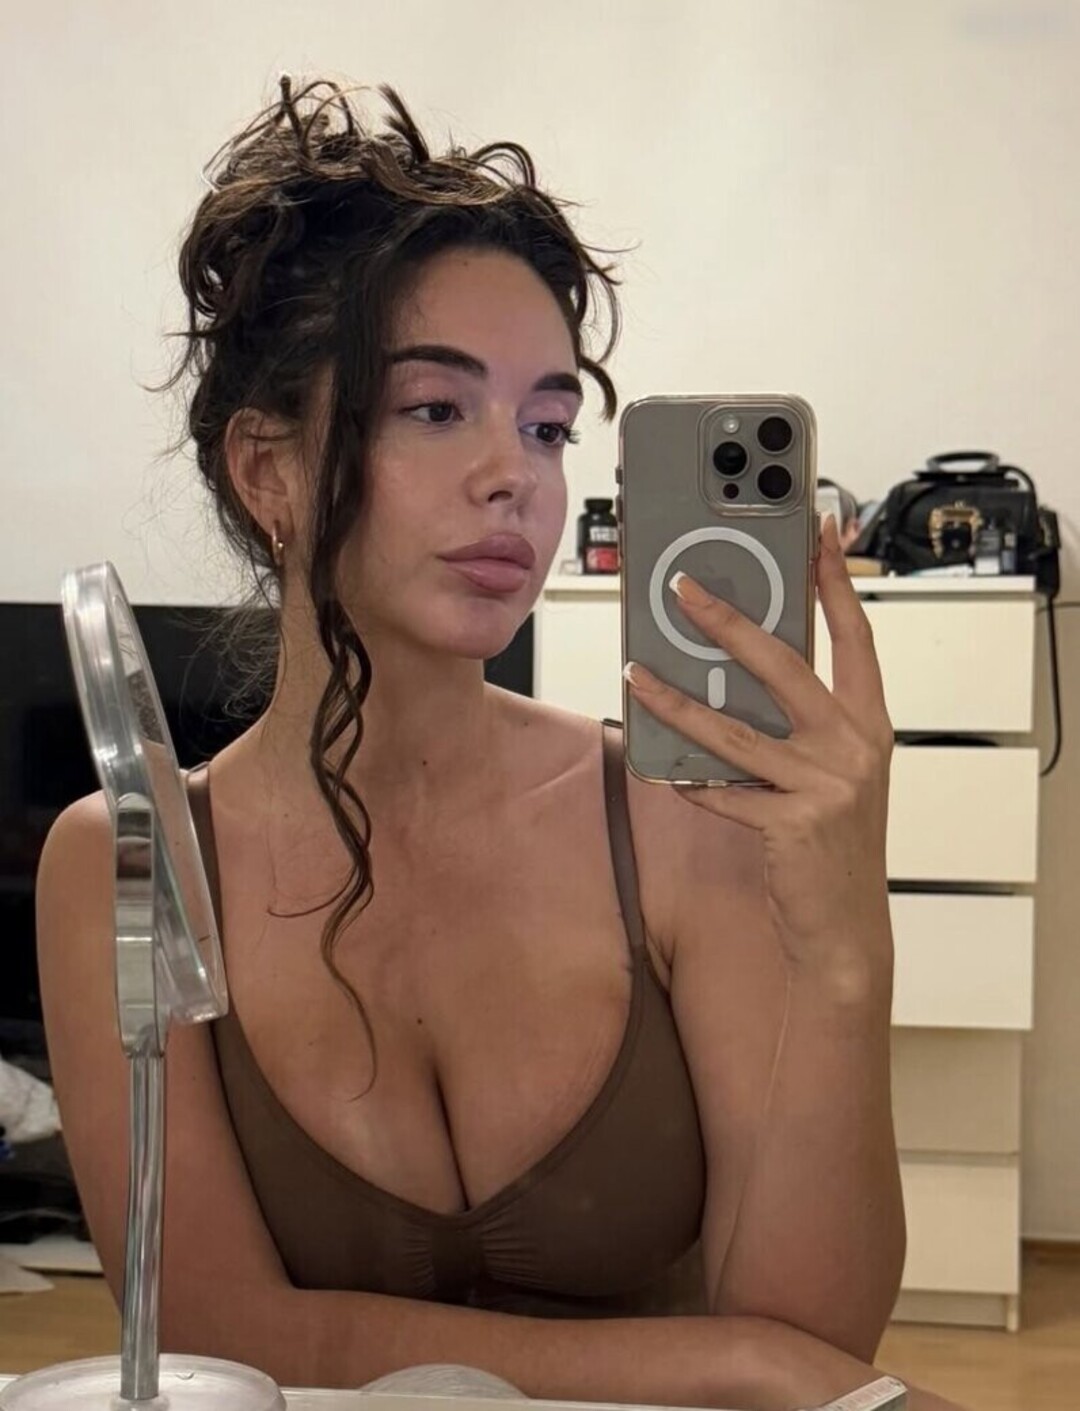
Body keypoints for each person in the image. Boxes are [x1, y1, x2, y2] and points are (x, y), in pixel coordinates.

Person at [36, 77, 964, 1410]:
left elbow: (814, 1342)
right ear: (267, 469)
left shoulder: (680, 817)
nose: (516, 477)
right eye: (435, 409)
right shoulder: (131, 860)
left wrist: (845, 956)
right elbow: (206, 1333)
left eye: (545, 425)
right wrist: (733, 1360)